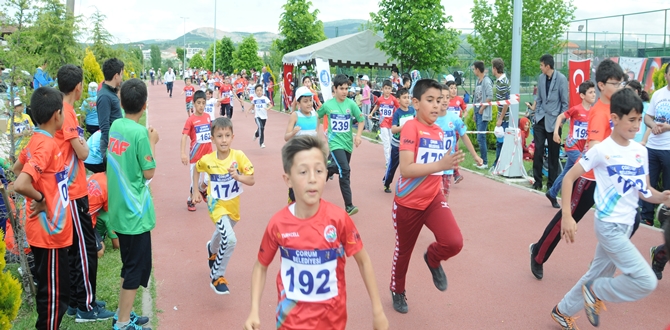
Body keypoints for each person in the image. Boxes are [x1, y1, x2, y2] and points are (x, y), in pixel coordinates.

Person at [243, 135, 388, 330]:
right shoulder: (278, 224)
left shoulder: (339, 219)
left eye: (319, 171)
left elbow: (363, 261)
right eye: (303, 172)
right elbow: (261, 267)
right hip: (289, 324)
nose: (312, 179)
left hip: (332, 323)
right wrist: (254, 310)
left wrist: (377, 310)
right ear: (288, 180)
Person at [550, 88, 663, 330]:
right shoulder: (601, 150)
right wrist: (568, 216)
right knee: (646, 280)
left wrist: (663, 197)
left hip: (625, 225)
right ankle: (597, 291)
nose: (636, 125)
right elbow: (569, 178)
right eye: (631, 120)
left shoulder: (640, 152)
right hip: (608, 226)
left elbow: (645, 192)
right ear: (615, 119)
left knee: (597, 272)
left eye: (639, 119)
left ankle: (563, 311)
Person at [529, 59, 625, 280]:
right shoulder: (600, 113)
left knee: (627, 221)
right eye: (615, 83)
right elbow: (594, 148)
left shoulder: (616, 108)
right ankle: (538, 253)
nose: (619, 88)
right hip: (589, 179)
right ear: (602, 85)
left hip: (610, 180)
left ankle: (601, 265)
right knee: (566, 221)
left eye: (621, 84)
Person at [389, 79, 465, 314]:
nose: (435, 106)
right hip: (408, 202)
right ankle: (397, 290)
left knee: (454, 242)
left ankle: (432, 259)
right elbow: (406, 169)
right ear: (415, 102)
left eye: (439, 101)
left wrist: (447, 167)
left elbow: (439, 167)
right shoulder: (411, 127)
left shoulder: (440, 131)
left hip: (433, 199)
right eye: (429, 100)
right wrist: (440, 164)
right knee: (404, 251)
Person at [52, 65, 115, 322]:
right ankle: (85, 306)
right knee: (85, 248)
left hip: (74, 188)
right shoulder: (66, 113)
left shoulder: (65, 111)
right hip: (73, 191)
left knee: (79, 247)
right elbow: (84, 152)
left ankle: (78, 299)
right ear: (79, 87)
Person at [12, 87, 72, 330]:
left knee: (56, 293)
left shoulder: (38, 139)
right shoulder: (45, 145)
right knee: (54, 298)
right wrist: (41, 198)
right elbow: (20, 182)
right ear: (57, 115)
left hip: (50, 232)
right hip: (49, 234)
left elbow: (18, 168)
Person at [107, 78, 157, 330]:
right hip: (134, 214)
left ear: (120, 101)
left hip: (119, 210)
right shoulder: (139, 133)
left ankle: (121, 314)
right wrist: (153, 142)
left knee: (130, 266)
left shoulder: (116, 124)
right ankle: (123, 323)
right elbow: (149, 173)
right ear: (145, 105)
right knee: (135, 270)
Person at [190, 117, 255, 295]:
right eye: (219, 136)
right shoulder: (208, 160)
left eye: (227, 135)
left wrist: (239, 177)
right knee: (231, 239)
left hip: (233, 206)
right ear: (212, 138)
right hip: (215, 204)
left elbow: (252, 180)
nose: (224, 140)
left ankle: (212, 248)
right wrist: (195, 190)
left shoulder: (239, 156)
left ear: (233, 137)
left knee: (223, 233)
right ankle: (217, 276)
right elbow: (197, 168)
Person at [317, 74, 365, 216]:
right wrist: (314, 132)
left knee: (336, 168)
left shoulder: (351, 104)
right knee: (345, 170)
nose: (344, 91)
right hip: (335, 143)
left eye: (346, 88)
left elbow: (361, 120)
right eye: (341, 88)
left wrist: (358, 135)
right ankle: (349, 205)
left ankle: (326, 169)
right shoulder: (328, 105)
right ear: (335, 89)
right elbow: (316, 116)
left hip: (347, 144)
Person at [545, 81, 596, 208]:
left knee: (567, 172)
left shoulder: (594, 112)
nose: (594, 94)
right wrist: (556, 133)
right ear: (582, 95)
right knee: (583, 168)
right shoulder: (576, 109)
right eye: (590, 92)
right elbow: (560, 117)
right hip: (571, 146)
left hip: (582, 148)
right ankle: (575, 199)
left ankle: (552, 193)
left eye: (594, 92)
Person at [435, 84, 483, 203]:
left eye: (447, 97)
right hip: (433, 166)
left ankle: (442, 219)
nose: (445, 100)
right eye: (441, 97)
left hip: (447, 167)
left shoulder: (454, 119)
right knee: (433, 199)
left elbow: (464, 136)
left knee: (444, 199)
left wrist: (475, 156)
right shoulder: (431, 118)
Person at [532, 54, 569, 190]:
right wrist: (537, 114)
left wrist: (560, 124)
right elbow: (540, 98)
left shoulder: (561, 79)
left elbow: (565, 104)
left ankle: (551, 185)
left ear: (548, 66)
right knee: (538, 150)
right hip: (541, 119)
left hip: (554, 122)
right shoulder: (541, 78)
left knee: (554, 154)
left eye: (542, 65)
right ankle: (537, 182)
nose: (540, 68)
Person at [640, 64, 670, 227]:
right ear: (666, 75)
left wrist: (667, 127)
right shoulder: (658, 94)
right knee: (648, 181)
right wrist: (653, 125)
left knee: (668, 184)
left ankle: (666, 218)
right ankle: (647, 217)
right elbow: (648, 117)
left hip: (668, 148)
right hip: (653, 147)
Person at [284, 86, 321, 203]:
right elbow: (286, 137)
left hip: (310, 157)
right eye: (305, 101)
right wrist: (293, 132)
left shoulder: (315, 116)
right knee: (297, 182)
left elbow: (316, 134)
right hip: (297, 156)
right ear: (298, 103)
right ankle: (292, 200)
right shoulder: (295, 115)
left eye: (310, 100)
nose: (309, 104)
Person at [181, 90, 213, 212]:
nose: (201, 105)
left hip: (208, 154)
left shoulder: (208, 117)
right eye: (198, 103)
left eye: (203, 103)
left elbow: (211, 133)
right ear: (194, 104)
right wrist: (182, 153)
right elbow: (184, 136)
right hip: (196, 156)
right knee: (195, 181)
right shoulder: (191, 120)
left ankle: (202, 189)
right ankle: (190, 199)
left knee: (209, 178)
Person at [382, 88, 414, 193]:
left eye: (408, 97)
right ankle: (387, 183)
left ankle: (409, 186)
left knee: (410, 166)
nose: (407, 100)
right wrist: (405, 126)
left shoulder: (412, 111)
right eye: (404, 98)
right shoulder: (397, 113)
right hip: (397, 144)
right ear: (398, 100)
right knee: (393, 166)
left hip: (409, 143)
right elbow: (394, 129)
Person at [97, 58, 125, 168]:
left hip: (116, 142)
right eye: (121, 74)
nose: (122, 78)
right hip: (111, 146)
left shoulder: (110, 93)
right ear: (116, 75)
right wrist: (114, 147)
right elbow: (104, 126)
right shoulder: (105, 96)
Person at [87, 172, 120, 258]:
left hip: (88, 220)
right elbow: (117, 246)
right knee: (100, 252)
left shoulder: (97, 175)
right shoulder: (110, 187)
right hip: (85, 222)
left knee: (102, 245)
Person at [369, 80, 399, 168]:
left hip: (392, 123)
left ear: (391, 89)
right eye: (385, 88)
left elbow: (398, 107)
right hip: (383, 123)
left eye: (389, 88)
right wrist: (371, 113)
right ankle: (388, 162)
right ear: (382, 89)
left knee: (391, 143)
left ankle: (391, 160)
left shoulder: (393, 99)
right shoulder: (380, 99)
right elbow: (377, 105)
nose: (387, 90)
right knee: (386, 143)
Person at [472, 61, 493, 169]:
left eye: (474, 69)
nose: (473, 70)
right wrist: (475, 112)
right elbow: (476, 97)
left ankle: (484, 162)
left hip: (483, 113)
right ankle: (481, 160)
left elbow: (490, 95)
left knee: (481, 137)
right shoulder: (478, 81)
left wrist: (482, 108)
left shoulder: (486, 81)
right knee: (479, 136)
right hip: (477, 112)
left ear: (477, 69)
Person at [492, 58, 511, 166]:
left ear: (495, 68)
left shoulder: (504, 83)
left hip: (505, 118)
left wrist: (501, 118)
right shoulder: (499, 81)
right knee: (499, 141)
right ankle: (498, 164)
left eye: (492, 68)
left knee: (501, 142)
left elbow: (506, 102)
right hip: (501, 117)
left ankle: (498, 165)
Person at [249, 84, 272, 148]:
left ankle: (256, 134)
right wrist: (248, 110)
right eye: (257, 91)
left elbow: (271, 105)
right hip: (257, 117)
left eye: (260, 90)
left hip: (264, 117)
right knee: (261, 128)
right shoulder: (254, 99)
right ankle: (261, 143)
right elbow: (252, 105)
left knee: (261, 129)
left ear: (262, 91)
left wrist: (268, 108)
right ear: (255, 92)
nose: (259, 92)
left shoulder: (265, 98)